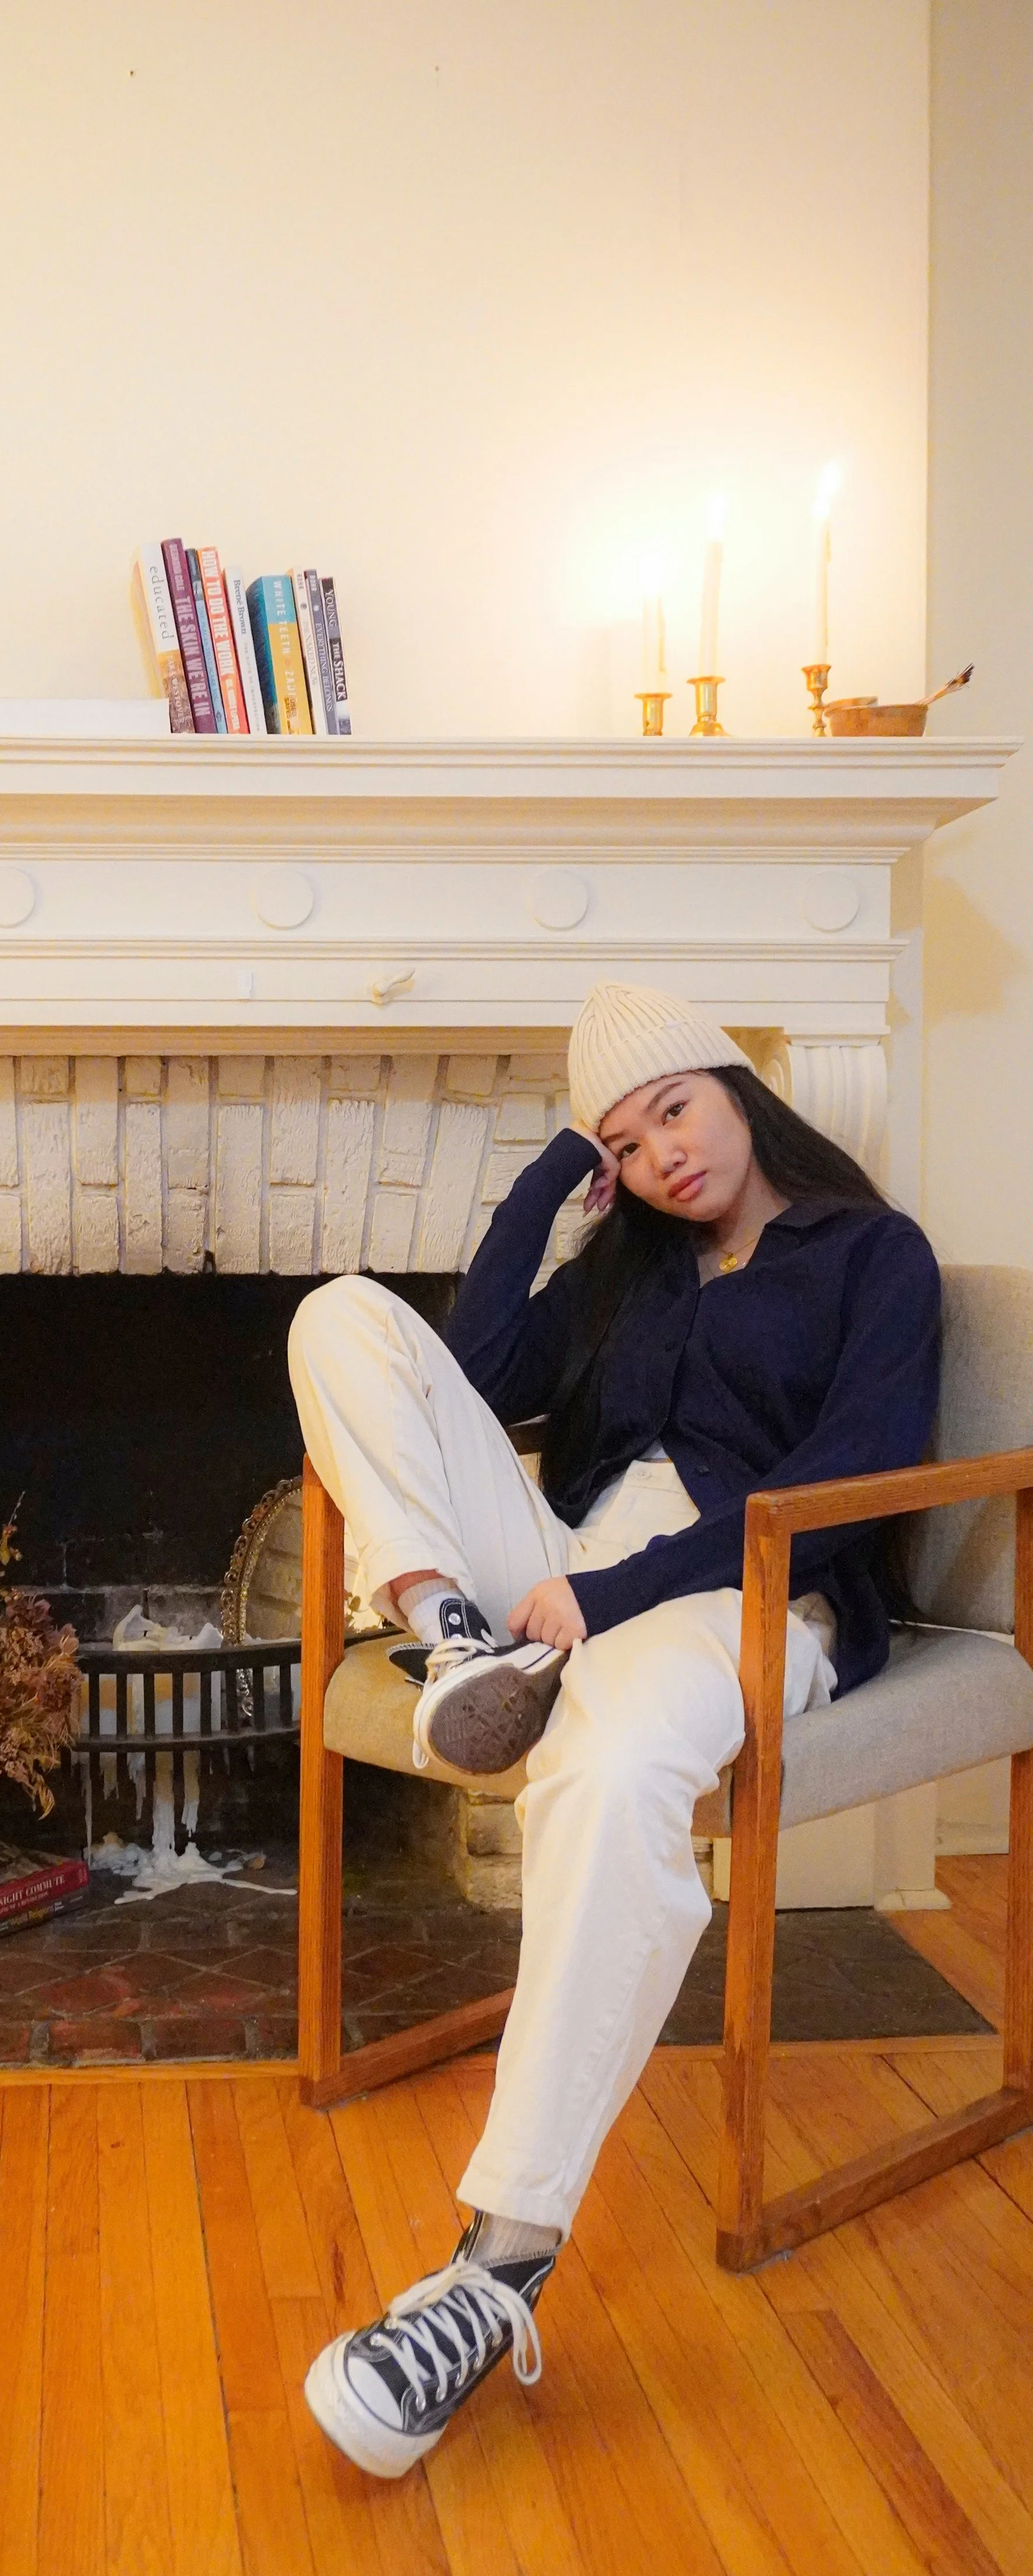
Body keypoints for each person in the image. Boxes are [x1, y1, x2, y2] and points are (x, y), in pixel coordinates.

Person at [286, 979, 941, 2481]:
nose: (662, 1157)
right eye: (626, 1145)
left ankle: (497, 2265)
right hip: (563, 1570)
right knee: (339, 1318)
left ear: (734, 1087)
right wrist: (548, 1185)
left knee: (612, 1761)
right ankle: (449, 1633)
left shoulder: (871, 1253)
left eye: (674, 1112)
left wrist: (617, 1596)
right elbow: (465, 1377)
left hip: (743, 1594)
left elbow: (856, 1470)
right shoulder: (628, 1267)